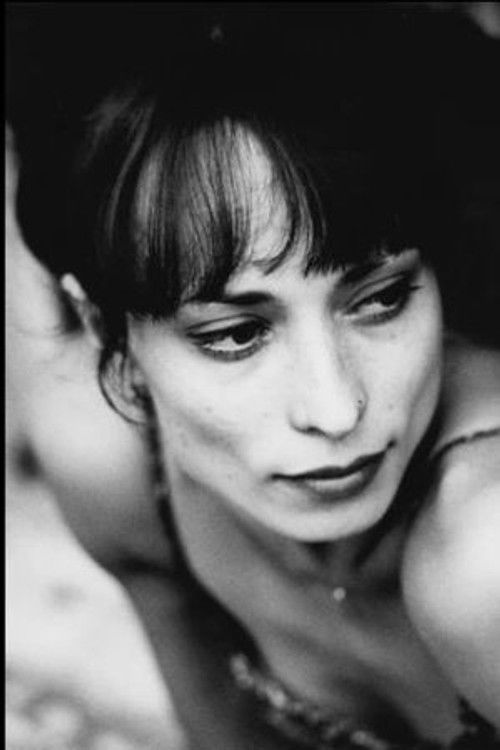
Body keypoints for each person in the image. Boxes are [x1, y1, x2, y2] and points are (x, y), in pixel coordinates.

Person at [9, 7, 500, 749]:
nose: (336, 409)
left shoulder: (483, 553)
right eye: (235, 335)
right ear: (106, 329)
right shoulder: (123, 473)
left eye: (381, 299)